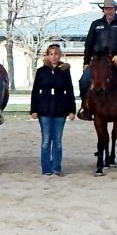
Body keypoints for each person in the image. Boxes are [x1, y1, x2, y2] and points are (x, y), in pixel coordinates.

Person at [31, 44, 76, 176]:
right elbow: (35, 91)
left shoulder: (64, 71)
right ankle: (46, 168)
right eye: (51, 54)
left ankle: (56, 167)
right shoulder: (41, 71)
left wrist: (71, 110)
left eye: (56, 54)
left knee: (57, 140)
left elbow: (70, 91)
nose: (53, 57)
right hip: (44, 108)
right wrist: (34, 109)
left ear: (59, 55)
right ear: (47, 56)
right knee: (46, 140)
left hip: (60, 109)